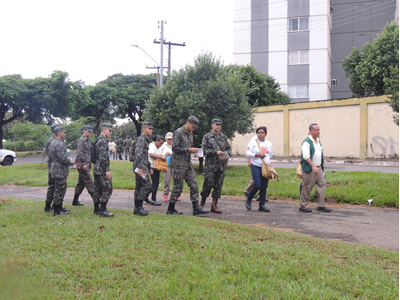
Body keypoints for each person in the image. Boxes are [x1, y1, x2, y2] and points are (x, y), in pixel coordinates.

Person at [167, 115, 209, 216]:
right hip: (178, 164)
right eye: (193, 126)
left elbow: (188, 148)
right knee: (178, 187)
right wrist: (188, 150)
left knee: (194, 185)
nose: (194, 129)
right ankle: (170, 209)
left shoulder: (190, 134)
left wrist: (194, 153)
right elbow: (175, 148)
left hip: (187, 163)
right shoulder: (179, 132)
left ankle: (196, 208)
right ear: (188, 122)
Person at [200, 119, 231, 213]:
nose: (218, 126)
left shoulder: (223, 137)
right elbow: (203, 150)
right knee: (207, 185)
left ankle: (214, 205)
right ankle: (202, 203)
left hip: (221, 166)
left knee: (218, 186)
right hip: (210, 167)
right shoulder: (207, 137)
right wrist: (215, 152)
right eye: (217, 124)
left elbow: (228, 149)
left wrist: (227, 156)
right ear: (212, 125)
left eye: (220, 125)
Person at [299, 123, 332, 213]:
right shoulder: (306, 142)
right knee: (307, 187)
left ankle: (321, 205)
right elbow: (306, 156)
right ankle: (303, 206)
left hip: (319, 168)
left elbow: (320, 155)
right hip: (310, 169)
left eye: (318, 130)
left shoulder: (318, 140)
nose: (318, 132)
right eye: (316, 130)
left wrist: (321, 168)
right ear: (310, 131)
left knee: (322, 185)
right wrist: (313, 166)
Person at [245, 126, 273, 212]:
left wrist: (266, 158)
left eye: (262, 133)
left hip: (265, 167)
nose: (260, 134)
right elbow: (247, 153)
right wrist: (257, 155)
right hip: (256, 165)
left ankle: (262, 205)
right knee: (258, 184)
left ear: (265, 134)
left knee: (264, 187)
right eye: (259, 133)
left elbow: (270, 154)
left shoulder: (269, 143)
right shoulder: (253, 142)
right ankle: (249, 199)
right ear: (256, 134)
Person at [48, 126, 75, 216]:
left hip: (57, 169)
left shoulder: (53, 142)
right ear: (59, 132)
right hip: (59, 169)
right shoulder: (58, 144)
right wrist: (71, 162)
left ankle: (59, 207)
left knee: (61, 188)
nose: (65, 133)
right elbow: (62, 159)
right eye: (63, 132)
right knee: (59, 189)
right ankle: (57, 209)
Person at [132, 122, 154, 216]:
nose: (151, 130)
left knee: (139, 187)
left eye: (152, 129)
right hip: (140, 166)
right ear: (144, 129)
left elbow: (144, 156)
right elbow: (138, 154)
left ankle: (136, 209)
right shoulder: (141, 139)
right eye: (149, 128)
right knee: (147, 185)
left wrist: (149, 167)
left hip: (142, 165)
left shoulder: (145, 140)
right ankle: (139, 206)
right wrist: (140, 167)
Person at [93, 123, 114, 217]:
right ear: (104, 130)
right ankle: (102, 209)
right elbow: (103, 157)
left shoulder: (98, 140)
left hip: (97, 168)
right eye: (109, 130)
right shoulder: (103, 141)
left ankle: (96, 209)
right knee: (108, 187)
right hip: (101, 168)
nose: (111, 132)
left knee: (98, 189)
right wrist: (107, 170)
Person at [72, 125, 95, 207]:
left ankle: (75, 200)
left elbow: (88, 154)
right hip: (81, 165)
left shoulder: (88, 140)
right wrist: (83, 165)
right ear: (84, 130)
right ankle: (96, 201)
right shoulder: (81, 140)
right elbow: (80, 154)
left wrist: (89, 165)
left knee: (81, 183)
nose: (90, 133)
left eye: (91, 131)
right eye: (89, 131)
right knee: (89, 182)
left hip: (86, 165)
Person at [44, 123, 61, 213]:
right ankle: (48, 206)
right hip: (53, 167)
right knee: (52, 186)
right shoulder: (52, 141)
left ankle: (56, 205)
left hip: (54, 167)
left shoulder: (54, 140)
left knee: (56, 186)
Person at [160, 132, 180, 202]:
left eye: (171, 139)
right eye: (168, 139)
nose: (169, 140)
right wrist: (165, 154)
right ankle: (165, 195)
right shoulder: (163, 145)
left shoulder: (176, 145)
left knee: (176, 180)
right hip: (166, 165)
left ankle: (176, 195)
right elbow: (160, 154)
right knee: (166, 180)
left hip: (175, 165)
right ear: (166, 139)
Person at [147, 135, 166, 206]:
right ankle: (153, 199)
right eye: (160, 143)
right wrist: (160, 157)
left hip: (156, 167)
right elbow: (151, 154)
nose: (160, 145)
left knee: (155, 183)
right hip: (152, 166)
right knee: (155, 183)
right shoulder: (152, 146)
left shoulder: (157, 147)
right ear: (156, 141)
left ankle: (146, 196)